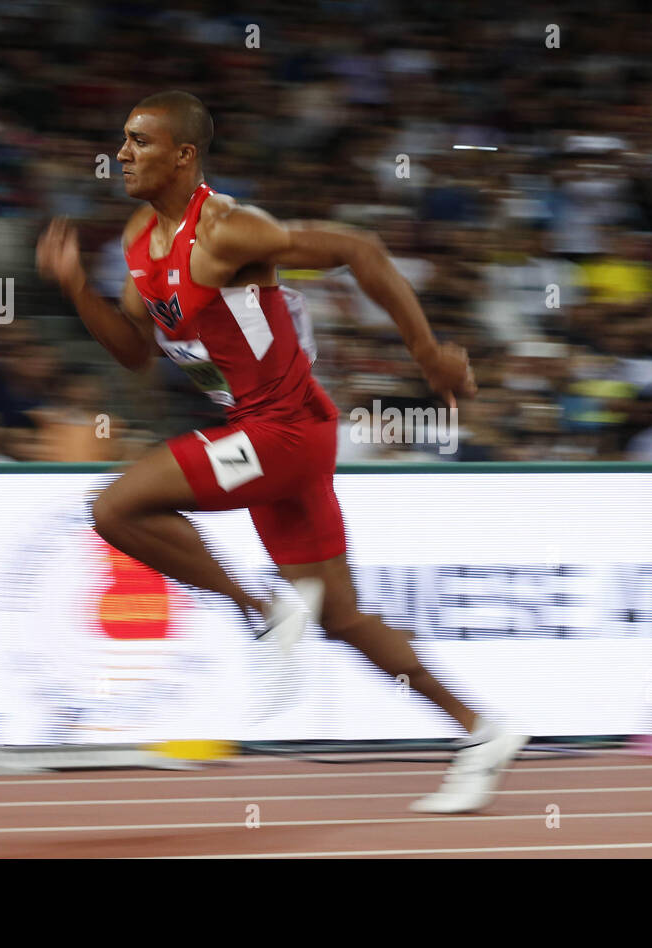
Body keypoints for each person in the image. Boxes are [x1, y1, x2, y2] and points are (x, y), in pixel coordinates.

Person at [36, 90, 525, 812]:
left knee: (114, 507)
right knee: (340, 618)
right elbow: (136, 352)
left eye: (139, 141)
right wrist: (79, 290)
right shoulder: (143, 236)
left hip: (283, 433)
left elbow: (359, 249)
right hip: (269, 440)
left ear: (184, 155)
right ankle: (483, 730)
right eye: (122, 139)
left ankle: (260, 612)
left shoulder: (227, 232)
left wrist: (427, 353)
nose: (122, 153)